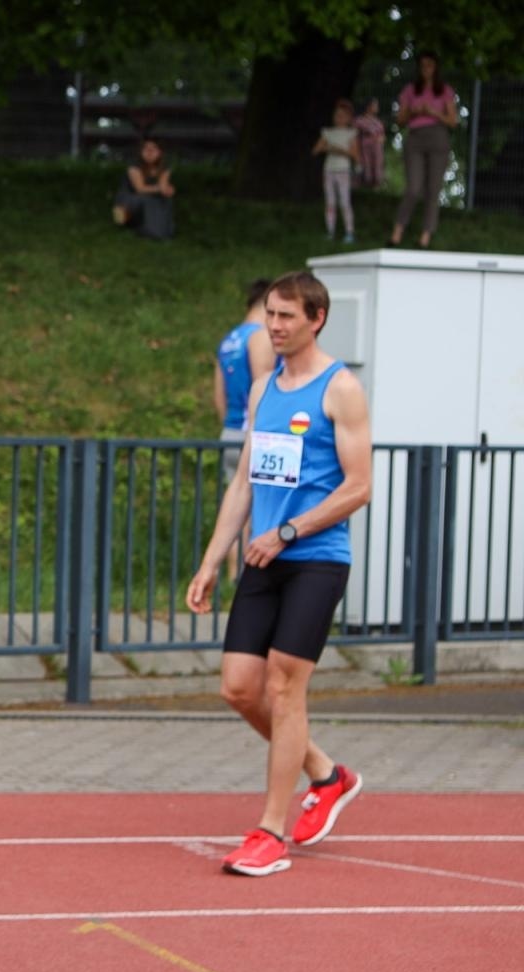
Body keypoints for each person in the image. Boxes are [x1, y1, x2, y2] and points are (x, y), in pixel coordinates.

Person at [186, 272, 372, 878]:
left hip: (316, 559)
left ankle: (270, 832)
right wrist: (213, 559)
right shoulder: (264, 388)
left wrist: (291, 530)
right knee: (239, 687)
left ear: (316, 318)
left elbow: (359, 487)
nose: (275, 325)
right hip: (262, 558)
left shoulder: (340, 390)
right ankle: (327, 774)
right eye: (270, 314)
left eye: (287, 316)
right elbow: (243, 482)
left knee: (284, 690)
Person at [213, 278, 277, 579]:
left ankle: (230, 576)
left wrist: (232, 426)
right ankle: (247, 576)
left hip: (230, 430)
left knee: (235, 507)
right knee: (255, 509)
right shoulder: (260, 337)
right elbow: (264, 387)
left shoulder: (229, 339)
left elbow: (219, 397)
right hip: (255, 432)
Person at [391, 51, 459, 249]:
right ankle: (397, 233)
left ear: (436, 68)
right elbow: (400, 120)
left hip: (438, 137)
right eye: (422, 65)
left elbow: (453, 121)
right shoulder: (411, 90)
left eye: (430, 65)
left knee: (433, 189)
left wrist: (433, 112)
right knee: (413, 188)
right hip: (416, 138)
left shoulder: (444, 91)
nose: (426, 69)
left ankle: (425, 237)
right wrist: (414, 111)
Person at [313, 99, 359, 242]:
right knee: (330, 202)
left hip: (343, 170)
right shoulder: (328, 133)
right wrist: (326, 148)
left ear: (349, 118)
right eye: (337, 115)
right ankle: (330, 231)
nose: (339, 118)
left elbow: (355, 154)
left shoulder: (351, 134)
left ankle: (349, 232)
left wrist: (339, 150)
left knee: (344, 202)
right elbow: (316, 150)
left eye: (343, 115)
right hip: (329, 170)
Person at [112, 137, 175, 240]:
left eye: (153, 149)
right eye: (146, 149)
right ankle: (132, 226)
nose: (149, 152)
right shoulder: (134, 167)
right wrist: (162, 188)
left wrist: (168, 190)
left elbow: (163, 187)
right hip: (127, 202)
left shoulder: (164, 168)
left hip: (150, 200)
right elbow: (140, 189)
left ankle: (162, 231)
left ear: (160, 152)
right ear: (140, 152)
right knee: (145, 200)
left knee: (165, 200)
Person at [354, 98, 386, 188]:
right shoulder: (360, 120)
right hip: (365, 148)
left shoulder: (378, 122)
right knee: (365, 168)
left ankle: (376, 186)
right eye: (375, 105)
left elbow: (383, 136)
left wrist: (380, 140)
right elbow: (356, 136)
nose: (377, 107)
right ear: (369, 107)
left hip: (377, 148)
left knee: (376, 167)